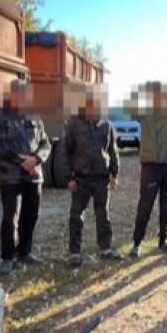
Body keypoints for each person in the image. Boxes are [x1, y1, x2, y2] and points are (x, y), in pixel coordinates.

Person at [0, 81, 51, 274]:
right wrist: (25, 163)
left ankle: (25, 251)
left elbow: (45, 143)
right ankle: (7, 257)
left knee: (30, 215)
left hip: (34, 176)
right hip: (12, 176)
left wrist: (36, 160)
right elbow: (1, 146)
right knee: (10, 218)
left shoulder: (34, 116)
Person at [129, 82, 167, 258]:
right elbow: (132, 109)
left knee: (166, 206)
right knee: (145, 205)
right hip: (150, 166)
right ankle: (137, 244)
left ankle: (163, 241)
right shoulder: (144, 113)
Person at [64, 93, 122, 267]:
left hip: (101, 178)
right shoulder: (74, 124)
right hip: (80, 179)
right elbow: (65, 152)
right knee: (76, 216)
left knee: (103, 214)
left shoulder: (107, 125)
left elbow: (113, 151)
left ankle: (105, 248)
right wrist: (69, 178)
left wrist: (115, 175)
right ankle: (74, 253)